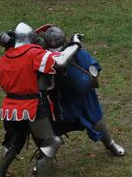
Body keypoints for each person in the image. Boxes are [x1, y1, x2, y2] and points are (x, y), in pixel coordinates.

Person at [0, 23, 83, 177]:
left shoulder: (3, 59)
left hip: (10, 107)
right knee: (50, 143)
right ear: (29, 38)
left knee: (14, 141)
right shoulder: (33, 54)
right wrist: (75, 44)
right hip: (34, 106)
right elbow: (60, 61)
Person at [41, 26, 125, 157]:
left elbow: (94, 73)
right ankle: (43, 158)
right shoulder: (46, 60)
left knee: (98, 122)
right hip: (61, 100)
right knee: (51, 132)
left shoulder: (80, 55)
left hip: (85, 98)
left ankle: (110, 143)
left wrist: (87, 79)